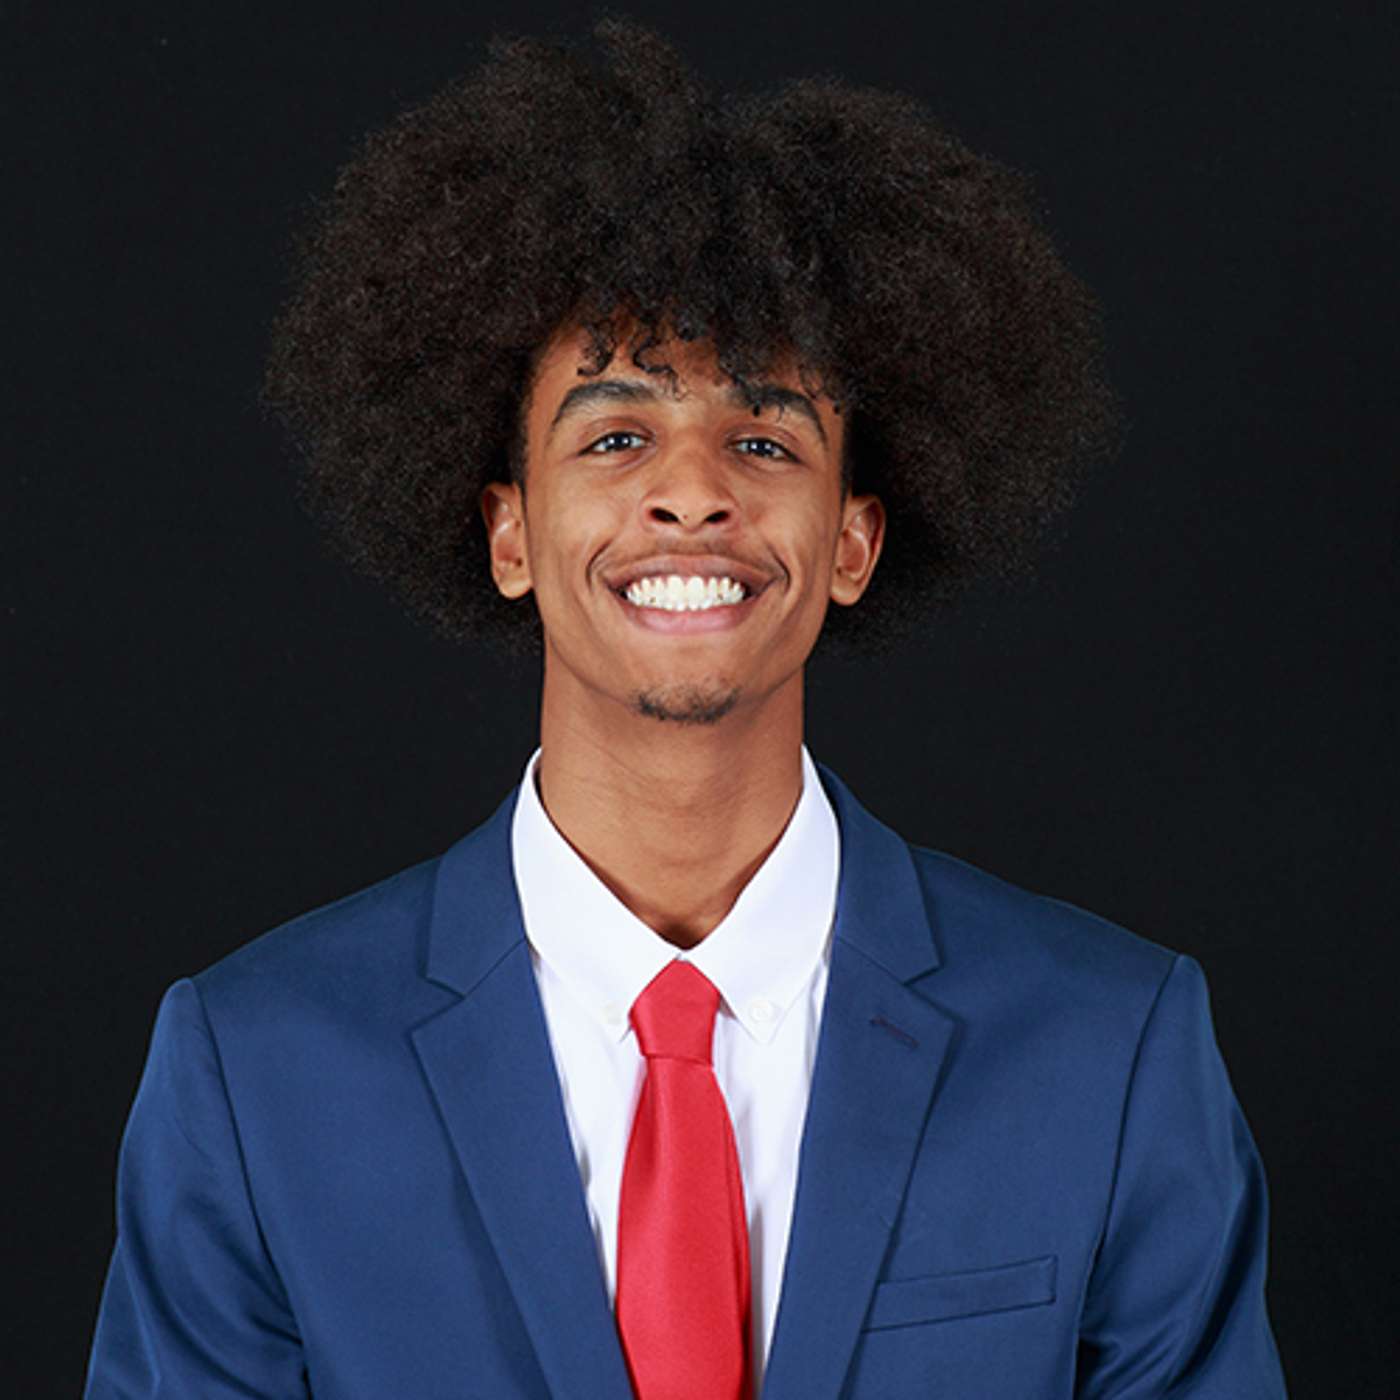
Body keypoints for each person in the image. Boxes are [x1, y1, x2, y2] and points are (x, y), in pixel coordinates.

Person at [85, 20, 1287, 1399]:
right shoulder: (252, 1073)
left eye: (764, 439)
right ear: (508, 531)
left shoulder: (1110, 1049)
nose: (694, 493)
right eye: (616, 436)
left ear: (853, 540)